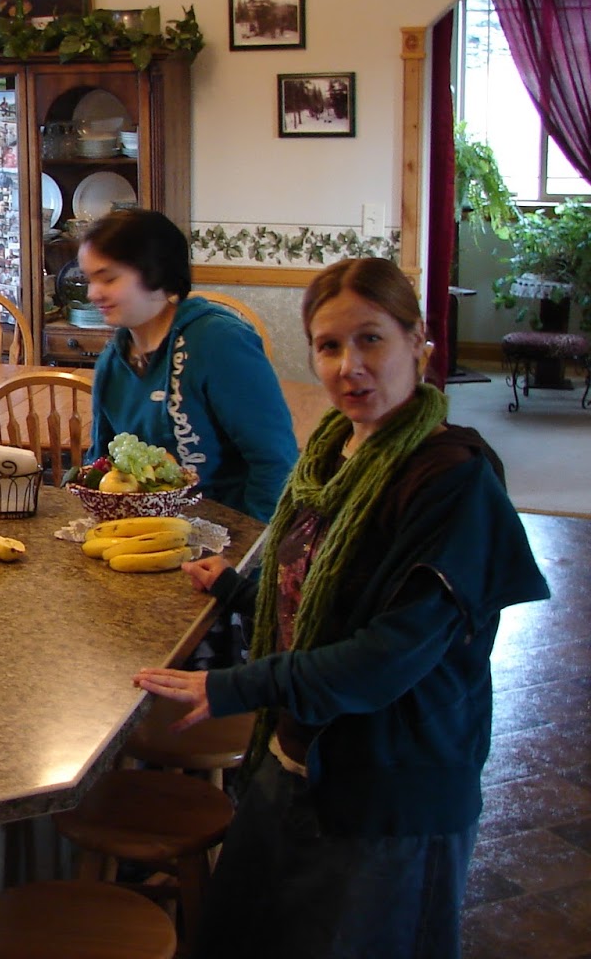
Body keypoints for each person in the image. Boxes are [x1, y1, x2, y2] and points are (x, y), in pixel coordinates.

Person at [133, 257, 549, 959]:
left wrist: (236, 686)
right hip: (297, 759)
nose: (349, 365)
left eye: (371, 339)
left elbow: (386, 658)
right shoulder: (332, 456)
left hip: (390, 796)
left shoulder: (456, 481)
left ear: (419, 343)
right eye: (328, 346)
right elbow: (322, 598)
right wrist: (239, 589)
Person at [80, 209, 297, 521]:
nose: (93, 293)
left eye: (109, 278)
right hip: (145, 536)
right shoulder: (111, 363)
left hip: (229, 537)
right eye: (89, 279)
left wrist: (253, 542)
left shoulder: (218, 341)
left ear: (155, 272)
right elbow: (100, 464)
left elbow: (275, 461)